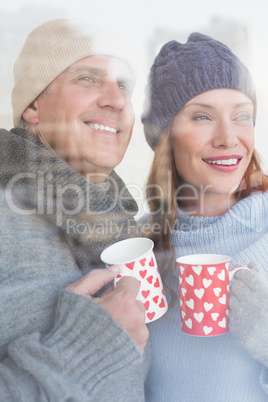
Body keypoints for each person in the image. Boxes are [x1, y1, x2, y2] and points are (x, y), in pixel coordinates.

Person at [0, 18, 149, 401]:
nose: (116, 100)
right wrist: (85, 351)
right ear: (34, 106)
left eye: (124, 86)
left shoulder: (124, 229)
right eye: (87, 78)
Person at [141, 33, 268, 401]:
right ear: (165, 137)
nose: (229, 138)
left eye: (242, 116)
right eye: (202, 116)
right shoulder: (140, 251)